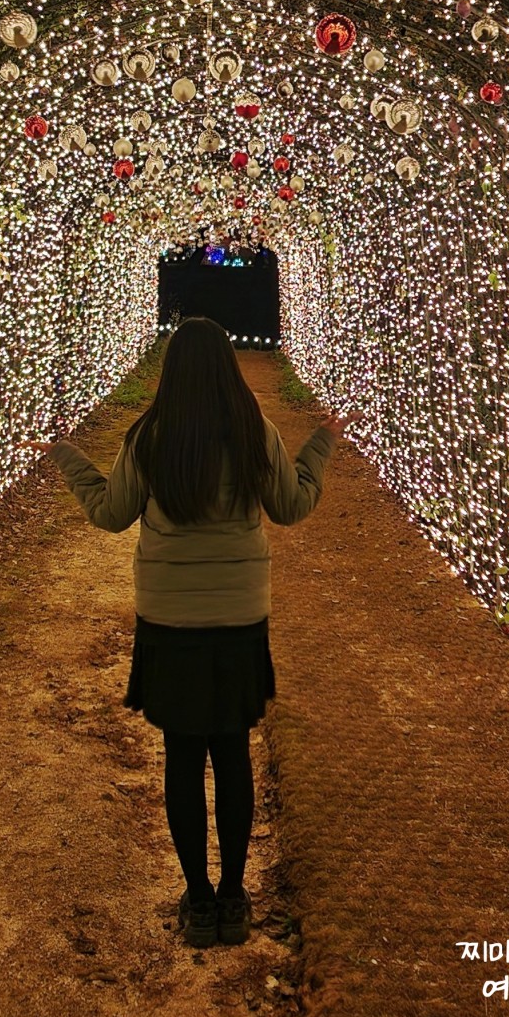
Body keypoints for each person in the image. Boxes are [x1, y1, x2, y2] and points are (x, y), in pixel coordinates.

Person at [32, 316, 343, 951]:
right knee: (230, 753)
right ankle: (234, 895)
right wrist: (317, 448)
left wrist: (66, 456)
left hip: (170, 621)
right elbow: (290, 506)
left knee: (182, 757)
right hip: (237, 619)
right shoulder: (251, 431)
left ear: (170, 371)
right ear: (229, 369)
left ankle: (197, 898)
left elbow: (111, 514)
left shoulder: (151, 437)